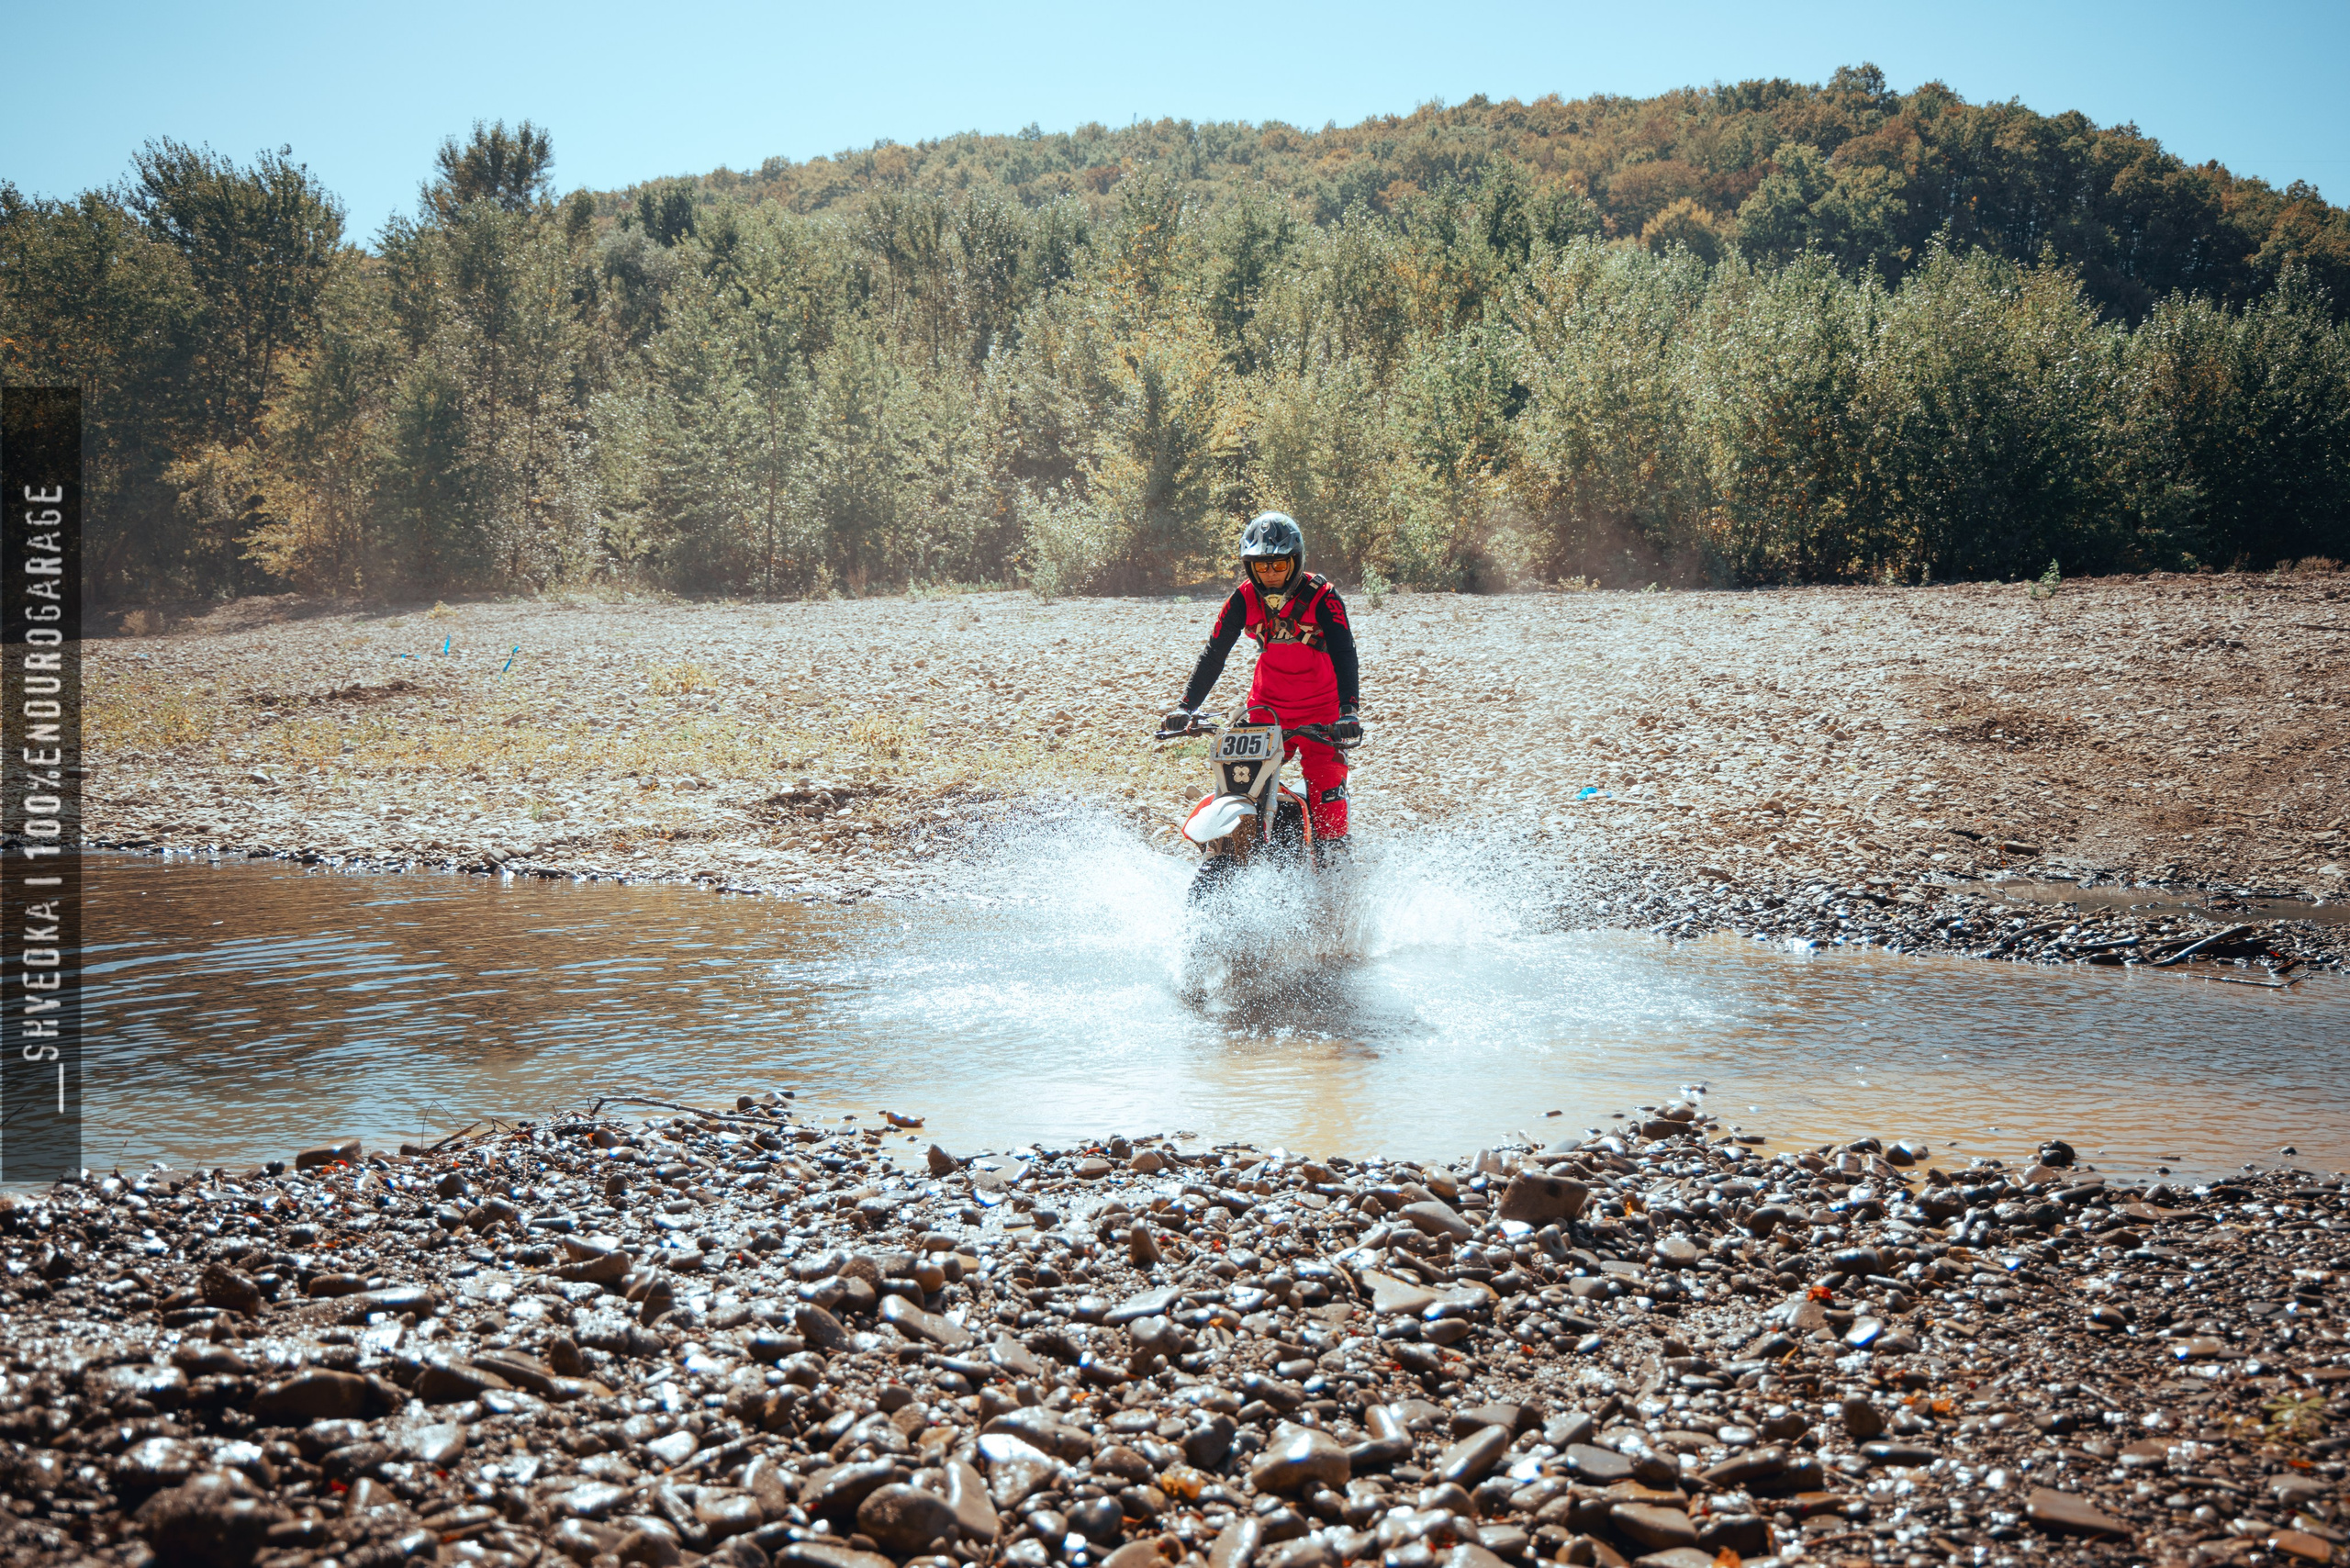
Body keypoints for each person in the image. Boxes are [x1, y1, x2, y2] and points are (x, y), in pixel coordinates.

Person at [1162, 512, 1363, 847]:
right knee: (1240, 782)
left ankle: (1334, 875)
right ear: (1250, 568)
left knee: (1329, 800)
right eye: (1262, 567)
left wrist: (1349, 712)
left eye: (1279, 565)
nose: (1270, 574)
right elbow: (1214, 653)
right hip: (1266, 710)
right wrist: (1186, 707)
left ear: (1295, 561)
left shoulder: (1323, 595)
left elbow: (1345, 652)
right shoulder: (1243, 598)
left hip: (1324, 713)